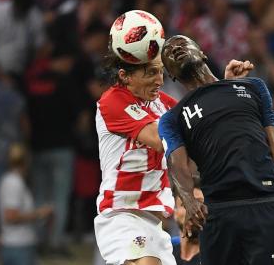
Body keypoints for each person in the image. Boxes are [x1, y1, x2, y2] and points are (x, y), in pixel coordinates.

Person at [158, 35, 274, 265]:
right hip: (219, 213)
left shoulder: (253, 87)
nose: (175, 49)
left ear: (202, 53)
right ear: (171, 75)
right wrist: (189, 199)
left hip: (265, 206)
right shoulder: (172, 118)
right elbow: (178, 165)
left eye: (182, 44)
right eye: (169, 53)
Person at [94, 26, 252, 264]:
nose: (159, 81)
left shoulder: (162, 104)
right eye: (150, 74)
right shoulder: (112, 101)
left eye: (161, 73)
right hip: (121, 215)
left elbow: (208, 124)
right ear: (125, 76)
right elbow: (161, 140)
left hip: (155, 224)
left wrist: (225, 86)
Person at [0, 143, 53, 265]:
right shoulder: (13, 182)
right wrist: (39, 213)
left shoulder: (13, 181)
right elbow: (10, 216)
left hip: (19, 245)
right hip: (18, 246)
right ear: (26, 160)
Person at [172, 176, 203, 265]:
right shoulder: (162, 255)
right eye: (185, 204)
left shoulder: (224, 256)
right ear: (175, 213)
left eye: (200, 203)